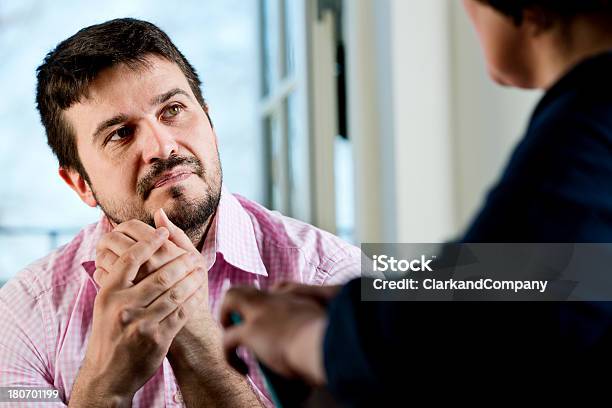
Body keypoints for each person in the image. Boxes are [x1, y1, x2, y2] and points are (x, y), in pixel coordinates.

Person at [221, 0, 612, 405]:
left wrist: (305, 340)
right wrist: (385, 301)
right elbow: (567, 269)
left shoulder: (586, 129)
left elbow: (493, 321)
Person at [0, 18, 360, 407]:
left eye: (172, 110)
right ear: (80, 184)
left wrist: (200, 350)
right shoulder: (22, 317)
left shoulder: (337, 276)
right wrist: (105, 385)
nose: (162, 145)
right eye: (120, 133)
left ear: (210, 123)